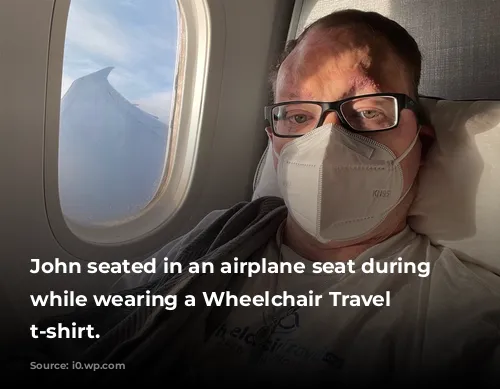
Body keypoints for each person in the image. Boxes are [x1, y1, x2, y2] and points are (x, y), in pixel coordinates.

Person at [3, 9, 500, 388]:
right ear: (275, 140)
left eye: (368, 110)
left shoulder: (465, 316)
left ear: (423, 136)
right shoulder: (217, 238)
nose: (328, 140)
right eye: (298, 116)